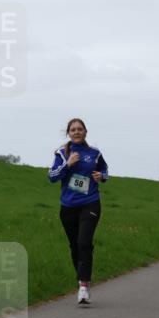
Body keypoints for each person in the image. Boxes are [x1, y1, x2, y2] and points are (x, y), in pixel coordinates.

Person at [48, 118, 109, 304]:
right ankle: (82, 279)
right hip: (68, 206)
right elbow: (51, 177)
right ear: (68, 133)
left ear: (85, 132)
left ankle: (83, 286)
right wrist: (68, 165)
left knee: (84, 242)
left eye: (79, 129)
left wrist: (102, 176)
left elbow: (105, 170)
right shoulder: (62, 152)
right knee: (75, 246)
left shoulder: (94, 153)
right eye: (73, 129)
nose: (76, 132)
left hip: (90, 202)